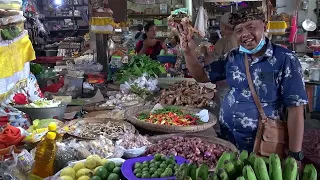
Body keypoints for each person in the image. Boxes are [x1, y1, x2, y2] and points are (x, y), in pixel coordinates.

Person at [177, 7, 307, 162]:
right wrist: (187, 52)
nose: (245, 34)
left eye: (251, 27)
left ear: (264, 26)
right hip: (229, 142)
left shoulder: (285, 59)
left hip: (263, 147)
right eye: (238, 30)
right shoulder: (233, 57)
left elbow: (296, 108)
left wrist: (295, 154)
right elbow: (201, 76)